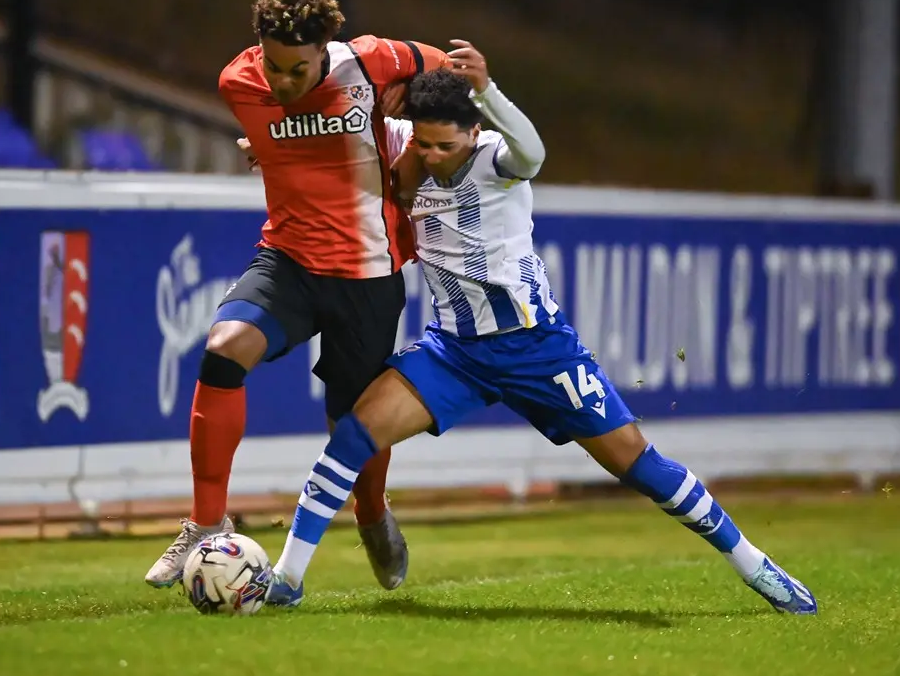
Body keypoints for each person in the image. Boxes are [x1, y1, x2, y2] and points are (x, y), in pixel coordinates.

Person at [264, 43, 818, 615]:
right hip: (454, 351)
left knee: (639, 464)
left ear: (474, 132)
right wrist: (272, 155)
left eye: (445, 145)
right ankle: (287, 581)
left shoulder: (501, 160)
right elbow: (337, 152)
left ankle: (756, 565)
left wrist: (488, 90)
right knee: (354, 434)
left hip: (537, 349)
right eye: (423, 143)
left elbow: (534, 149)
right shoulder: (410, 150)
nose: (431, 156)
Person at [144, 0, 451, 589]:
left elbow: (447, 74)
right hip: (287, 260)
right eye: (273, 65)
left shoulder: (370, 62)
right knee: (224, 348)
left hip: (367, 274)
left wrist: (410, 99)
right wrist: (265, 144)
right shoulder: (239, 82)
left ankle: (370, 512)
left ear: (326, 49)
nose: (281, 82)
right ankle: (206, 527)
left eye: (297, 70)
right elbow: (277, 130)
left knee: (352, 422)